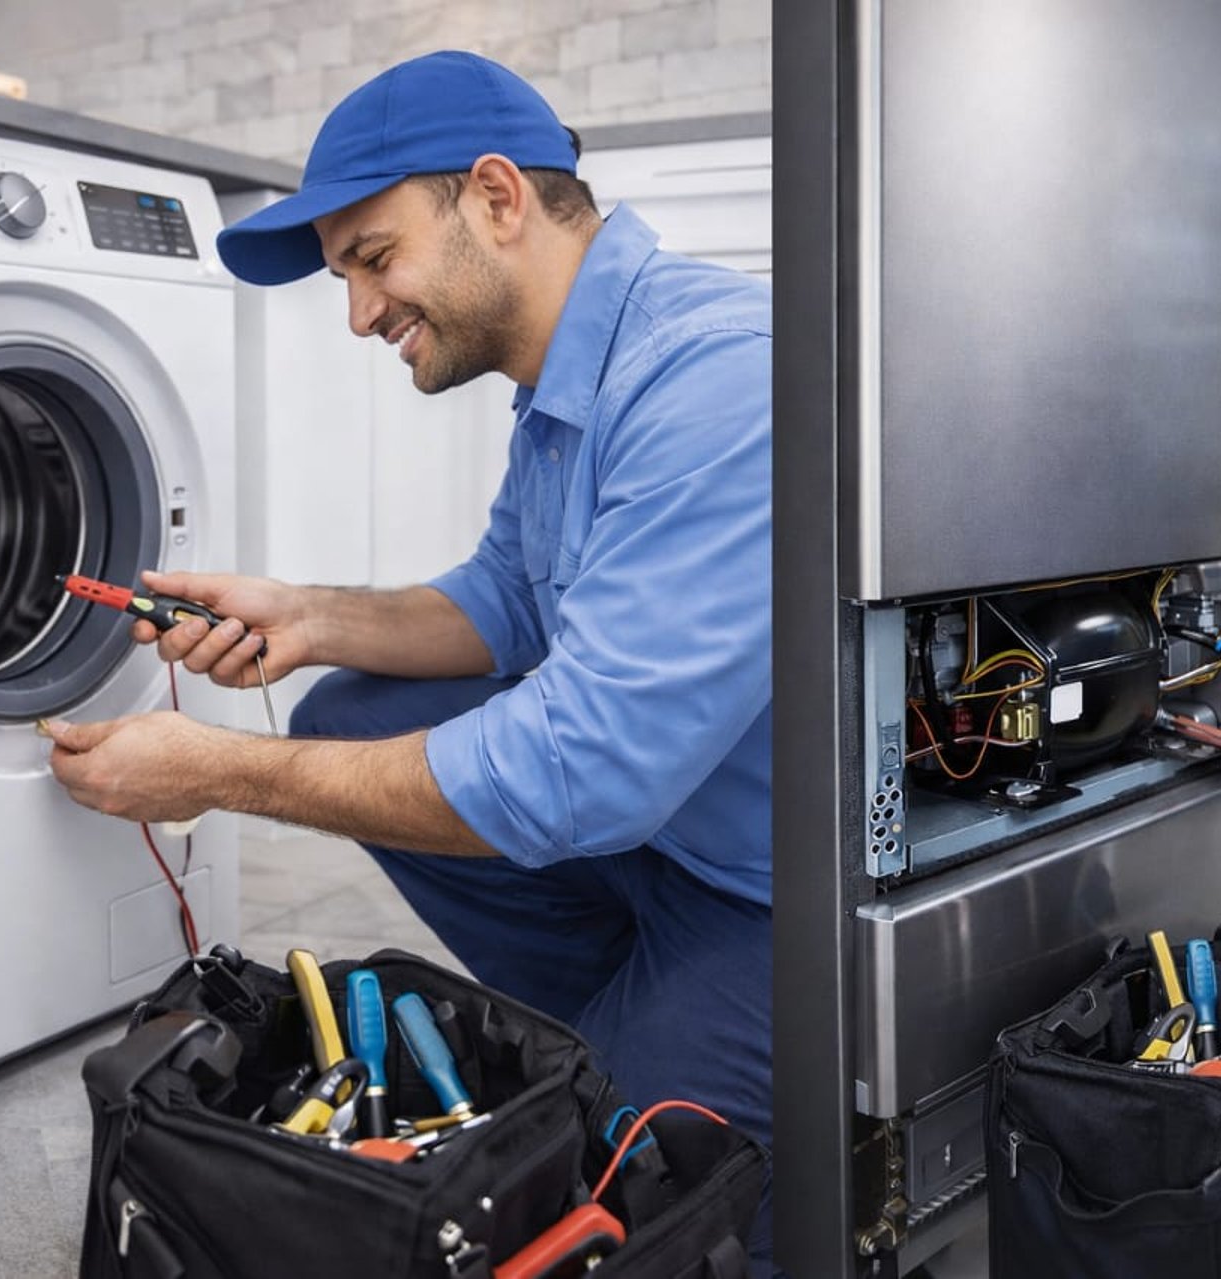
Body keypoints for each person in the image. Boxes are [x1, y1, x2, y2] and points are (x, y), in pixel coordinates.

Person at [43, 51, 774, 1266]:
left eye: (372, 260)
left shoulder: (709, 378)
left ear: (496, 197)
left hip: (781, 896)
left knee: (618, 1189)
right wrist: (305, 614)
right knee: (344, 708)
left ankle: (684, 1068)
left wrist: (215, 770)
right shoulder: (561, 388)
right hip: (673, 839)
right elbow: (503, 600)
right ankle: (632, 1017)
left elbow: (575, 772)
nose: (359, 313)